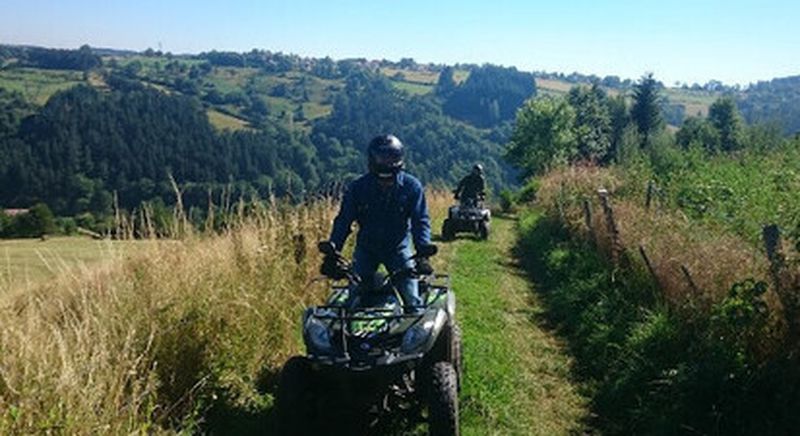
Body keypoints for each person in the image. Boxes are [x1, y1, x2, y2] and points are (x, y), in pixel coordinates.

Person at [322, 134, 433, 311]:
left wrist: (423, 251)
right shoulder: (358, 188)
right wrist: (333, 250)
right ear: (372, 158)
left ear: (399, 158)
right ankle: (351, 338)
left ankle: (414, 337)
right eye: (381, 157)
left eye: (391, 157)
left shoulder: (412, 186)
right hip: (367, 248)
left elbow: (420, 220)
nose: (385, 162)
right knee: (353, 301)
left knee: (411, 300)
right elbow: (344, 221)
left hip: (398, 248)